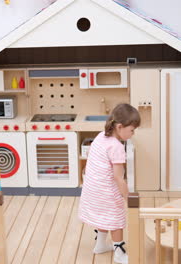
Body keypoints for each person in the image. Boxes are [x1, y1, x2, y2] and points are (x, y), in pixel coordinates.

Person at [78, 103, 140, 264]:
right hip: (105, 192)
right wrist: (128, 198)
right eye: (132, 130)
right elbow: (119, 178)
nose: (133, 134)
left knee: (104, 217)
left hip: (91, 189)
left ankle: (100, 246)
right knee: (116, 220)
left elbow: (91, 155)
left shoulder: (100, 136)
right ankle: (119, 254)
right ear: (120, 127)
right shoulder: (117, 147)